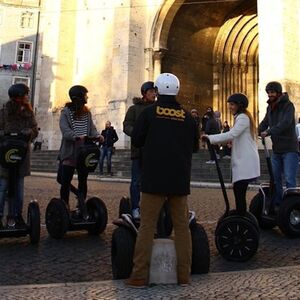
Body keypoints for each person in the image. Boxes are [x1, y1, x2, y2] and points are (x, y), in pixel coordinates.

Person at [126, 73, 199, 288]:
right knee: (182, 227)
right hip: (179, 178)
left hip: (154, 176)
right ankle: (183, 275)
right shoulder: (188, 117)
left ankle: (139, 275)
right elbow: (194, 147)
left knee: (147, 226)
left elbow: (137, 139)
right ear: (177, 91)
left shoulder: (149, 113)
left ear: (156, 91)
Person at [202, 93, 260, 215]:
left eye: (232, 104)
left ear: (240, 105)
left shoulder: (243, 117)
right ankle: (241, 215)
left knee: (239, 192)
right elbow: (234, 136)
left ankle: (241, 217)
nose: (230, 107)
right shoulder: (241, 117)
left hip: (245, 162)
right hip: (244, 161)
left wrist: (209, 138)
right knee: (239, 192)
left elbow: (231, 134)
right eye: (229, 104)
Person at [58, 85, 103, 210]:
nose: (87, 97)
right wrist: (76, 136)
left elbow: (92, 129)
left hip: (84, 152)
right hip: (70, 152)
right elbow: (65, 130)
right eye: (85, 95)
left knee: (83, 180)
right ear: (78, 97)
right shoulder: (65, 112)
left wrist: (98, 136)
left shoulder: (87, 113)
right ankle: (64, 206)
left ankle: (81, 205)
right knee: (65, 181)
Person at [0, 83, 38, 228]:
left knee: (19, 188)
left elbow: (35, 129)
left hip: (21, 155)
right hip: (5, 155)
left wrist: (30, 132)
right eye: (26, 94)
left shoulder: (29, 112)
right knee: (3, 186)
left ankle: (17, 215)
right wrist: (2, 134)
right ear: (18, 97)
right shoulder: (4, 111)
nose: (28, 97)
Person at [259, 81, 298, 209]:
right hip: (277, 149)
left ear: (279, 92)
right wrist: (258, 130)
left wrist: (268, 132)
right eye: (269, 92)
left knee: (289, 179)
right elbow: (265, 122)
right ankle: (278, 206)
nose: (270, 95)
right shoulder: (270, 107)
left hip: (289, 149)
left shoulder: (288, 106)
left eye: (272, 92)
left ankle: (291, 208)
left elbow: (285, 123)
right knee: (275, 179)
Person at [123, 81, 156, 219]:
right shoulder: (134, 109)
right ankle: (135, 207)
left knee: (154, 180)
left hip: (154, 150)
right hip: (138, 150)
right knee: (136, 181)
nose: (154, 94)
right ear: (144, 93)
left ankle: (152, 207)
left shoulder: (158, 108)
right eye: (151, 92)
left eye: (155, 92)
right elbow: (127, 126)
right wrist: (138, 134)